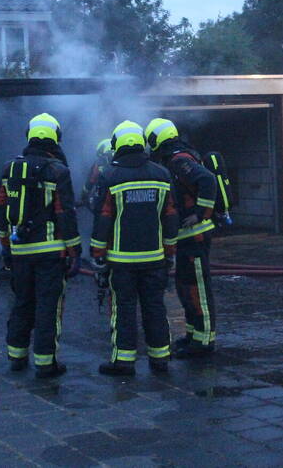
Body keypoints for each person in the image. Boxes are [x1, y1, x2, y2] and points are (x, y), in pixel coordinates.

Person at [0, 113, 81, 379]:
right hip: (50, 252)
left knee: (22, 302)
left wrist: (6, 245)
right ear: (56, 137)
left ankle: (16, 356)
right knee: (47, 306)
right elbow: (65, 213)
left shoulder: (11, 168)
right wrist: (75, 252)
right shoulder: (58, 171)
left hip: (20, 252)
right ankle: (46, 363)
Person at [90, 121, 180, 376]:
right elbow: (171, 216)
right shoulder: (161, 174)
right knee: (155, 306)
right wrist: (170, 251)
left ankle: (123, 361)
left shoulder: (110, 175)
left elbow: (103, 219)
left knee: (124, 309)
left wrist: (97, 254)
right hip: (155, 258)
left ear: (117, 143)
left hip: (122, 261)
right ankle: (160, 358)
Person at [145, 118, 219, 358]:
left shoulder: (178, 160)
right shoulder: (174, 159)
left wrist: (200, 214)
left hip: (195, 236)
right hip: (185, 237)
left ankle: (205, 341)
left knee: (198, 288)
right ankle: (192, 335)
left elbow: (207, 180)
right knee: (186, 288)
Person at [80, 139, 113, 211]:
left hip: (104, 200)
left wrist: (84, 196)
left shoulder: (100, 163)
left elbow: (91, 181)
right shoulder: (122, 158)